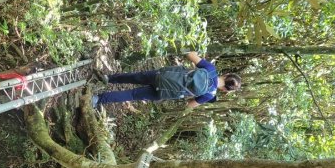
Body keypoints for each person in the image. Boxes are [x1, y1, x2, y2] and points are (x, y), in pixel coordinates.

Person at [92, 52, 241, 109]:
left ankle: (108, 78)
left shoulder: (211, 69)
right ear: (225, 90)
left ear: (227, 75)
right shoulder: (209, 95)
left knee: (135, 76)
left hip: (164, 75)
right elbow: (189, 105)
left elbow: (190, 54)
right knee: (132, 95)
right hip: (165, 91)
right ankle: (97, 99)